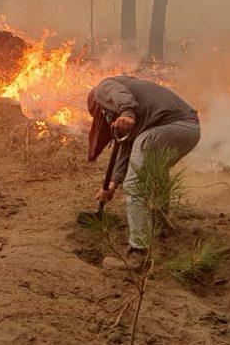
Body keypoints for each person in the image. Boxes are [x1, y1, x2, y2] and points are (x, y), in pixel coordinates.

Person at [86, 76, 201, 268]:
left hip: (168, 126)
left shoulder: (102, 88)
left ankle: (138, 254)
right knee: (157, 172)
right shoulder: (142, 114)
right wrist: (113, 184)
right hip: (190, 129)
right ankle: (160, 225)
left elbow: (120, 94)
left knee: (134, 185)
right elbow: (127, 149)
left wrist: (127, 113)